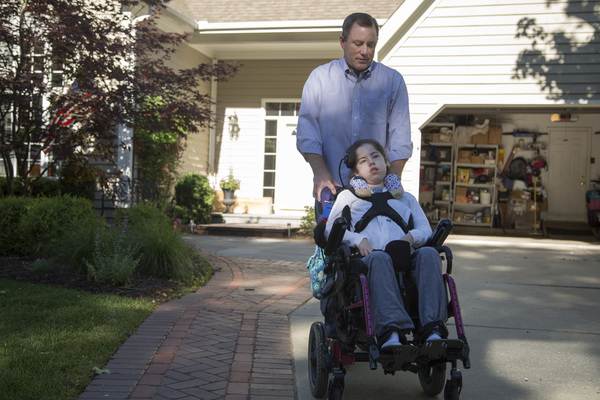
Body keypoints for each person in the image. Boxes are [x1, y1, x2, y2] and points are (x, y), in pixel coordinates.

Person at [324, 139, 447, 350]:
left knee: (429, 254)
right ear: (356, 171)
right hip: (369, 260)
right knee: (380, 258)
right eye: (363, 160)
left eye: (375, 156)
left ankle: (433, 329)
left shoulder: (406, 199)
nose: (371, 162)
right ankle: (391, 332)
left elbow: (425, 230)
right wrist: (357, 239)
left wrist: (410, 238)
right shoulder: (348, 197)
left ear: (386, 161)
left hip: (405, 256)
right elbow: (330, 231)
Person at [296, 12, 413, 207]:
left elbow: (400, 138)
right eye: (358, 44)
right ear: (342, 42)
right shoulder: (320, 79)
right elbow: (307, 134)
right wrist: (320, 172)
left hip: (377, 193)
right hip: (332, 190)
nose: (365, 51)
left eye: (371, 44)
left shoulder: (392, 81)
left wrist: (392, 180)